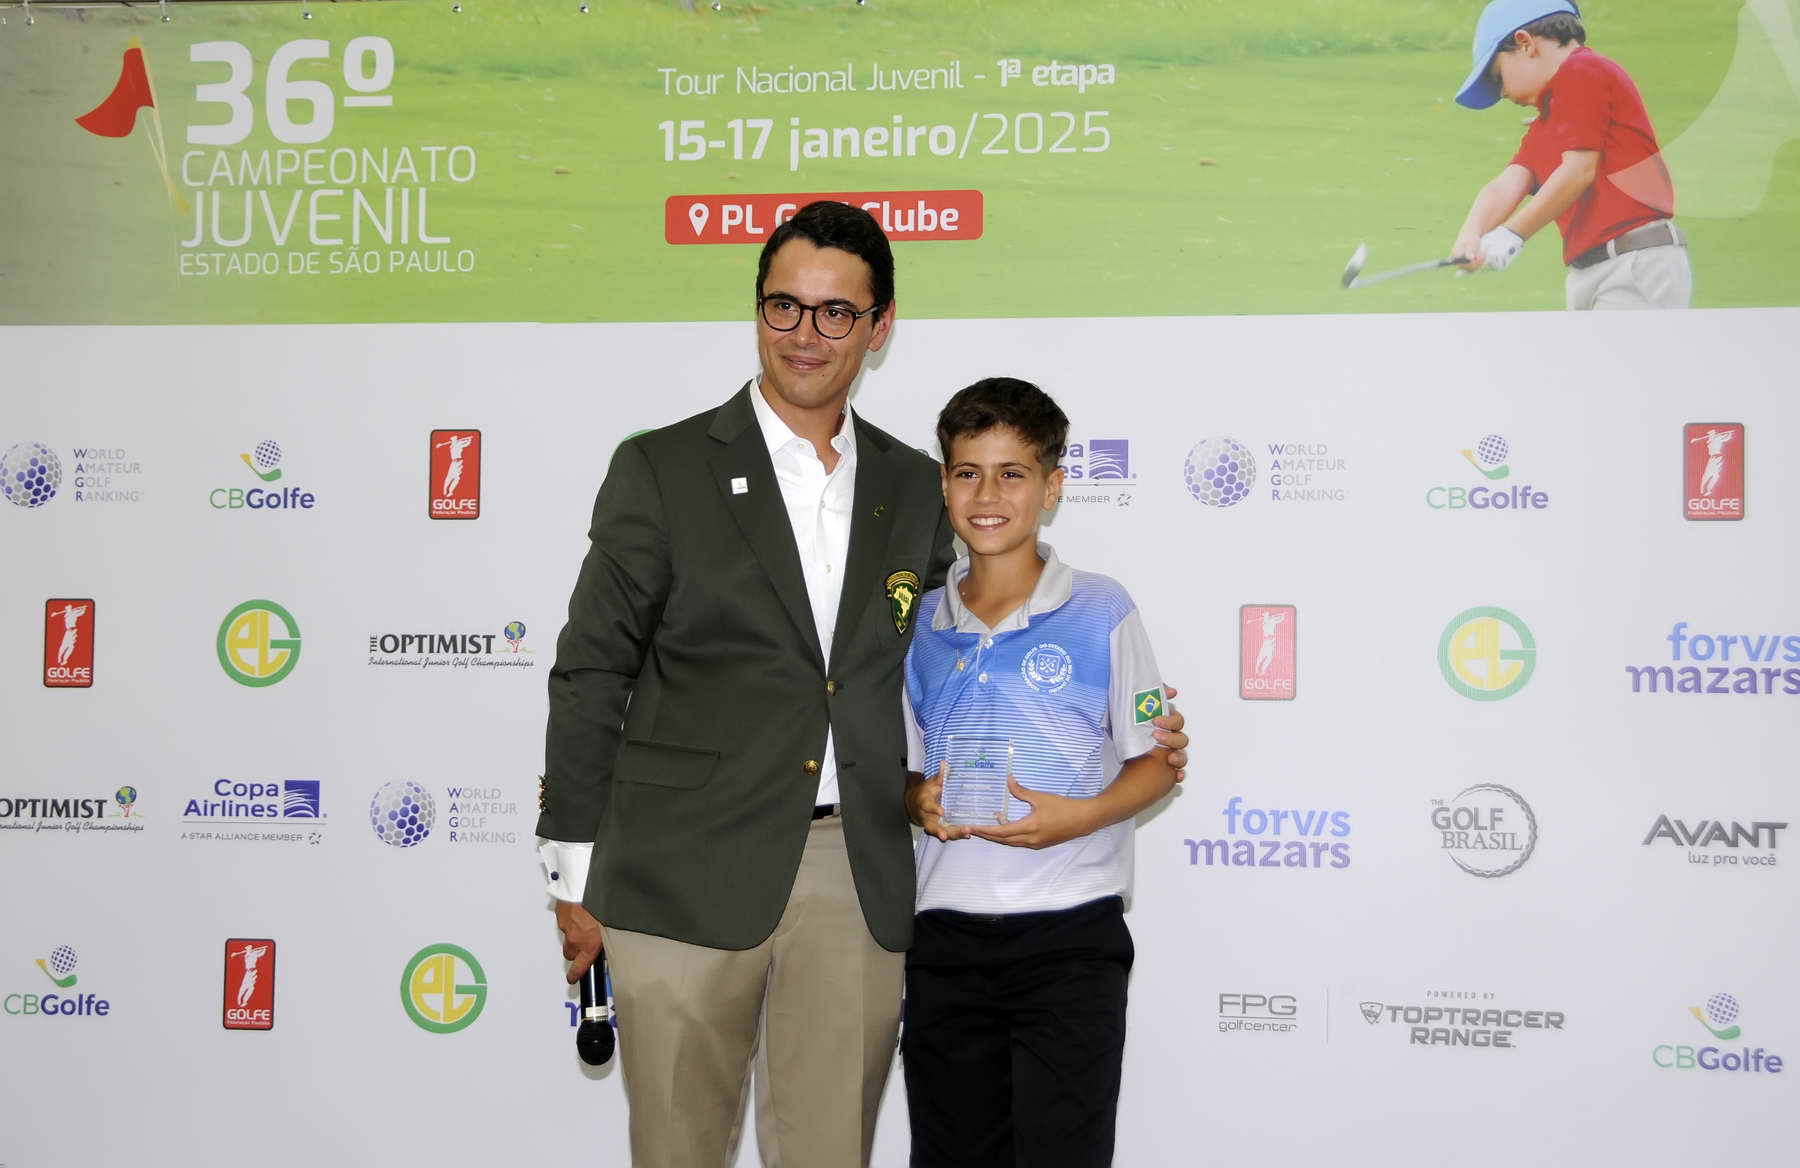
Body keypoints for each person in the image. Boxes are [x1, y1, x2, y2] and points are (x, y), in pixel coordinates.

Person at [537, 202, 1188, 1168]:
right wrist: (572, 874)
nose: (806, 333)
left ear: (879, 328)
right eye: (785, 306)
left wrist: (1133, 728)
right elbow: (592, 670)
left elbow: (969, 636)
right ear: (758, 309)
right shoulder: (661, 469)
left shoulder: (918, 486)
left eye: (837, 312)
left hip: (857, 871)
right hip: (680, 870)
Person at [901, 378, 1178, 1168]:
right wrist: (916, 800)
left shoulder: (1103, 609)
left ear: (1052, 488)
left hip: (1070, 935)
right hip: (944, 934)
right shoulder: (917, 623)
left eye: (1012, 474)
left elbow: (1158, 760)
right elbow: (899, 772)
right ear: (944, 484)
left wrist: (1076, 817)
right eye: (967, 473)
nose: (988, 495)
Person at [1448, 1, 1692, 309]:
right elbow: (1508, 182)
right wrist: (1471, 236)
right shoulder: (1550, 117)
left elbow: (1578, 171)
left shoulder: (1583, 70)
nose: (1502, 93)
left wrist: (1511, 235)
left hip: (1633, 263)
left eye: (1498, 77)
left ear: (1525, 44)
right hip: (1592, 269)